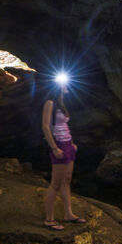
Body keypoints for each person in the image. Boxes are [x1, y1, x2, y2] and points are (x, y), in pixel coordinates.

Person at [41, 80, 87, 230]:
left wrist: (72, 142)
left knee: (67, 180)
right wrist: (54, 147)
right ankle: (49, 219)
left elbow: (64, 125)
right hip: (59, 145)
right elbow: (46, 127)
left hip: (67, 144)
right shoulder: (50, 103)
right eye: (64, 83)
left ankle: (68, 214)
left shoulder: (61, 102)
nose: (67, 85)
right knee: (55, 183)